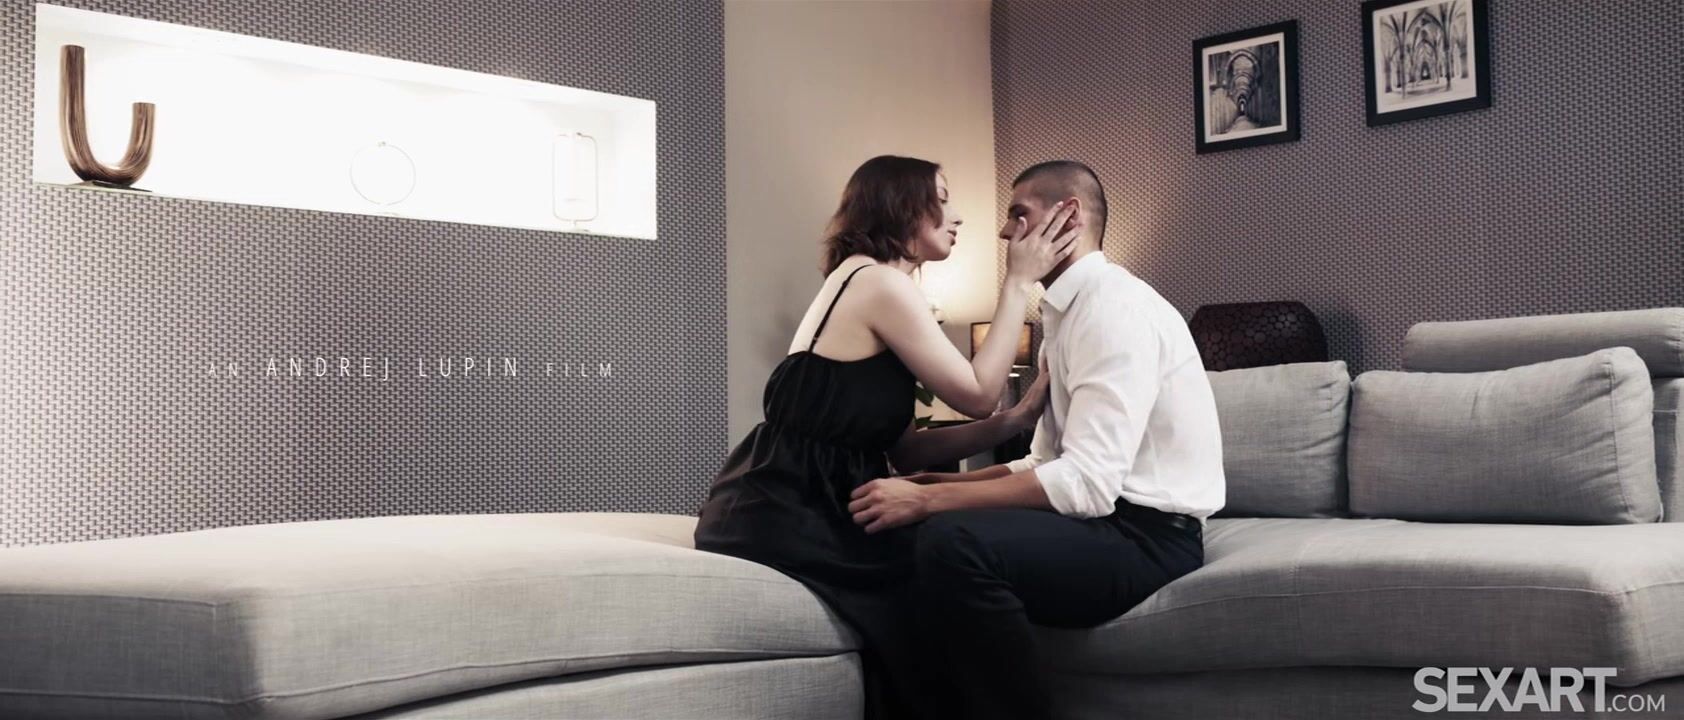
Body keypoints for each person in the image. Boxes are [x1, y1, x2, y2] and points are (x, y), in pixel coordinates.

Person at [694, 154, 1080, 719]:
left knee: (958, 564)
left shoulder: (868, 281)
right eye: (942, 198)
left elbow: (904, 451)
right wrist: (1018, 282)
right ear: (901, 206)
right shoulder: (877, 282)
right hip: (789, 509)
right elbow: (977, 391)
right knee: (948, 575)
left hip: (810, 502)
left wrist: (1011, 423)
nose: (957, 215)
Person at [847, 160, 1227, 719]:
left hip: (1147, 539)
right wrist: (935, 485)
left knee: (953, 543)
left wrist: (932, 501)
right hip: (1102, 523)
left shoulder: (1113, 309)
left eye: (1018, 214)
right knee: (908, 536)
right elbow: (1044, 462)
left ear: (1067, 216)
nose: (1005, 232)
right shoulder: (1065, 315)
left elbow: (1087, 485)